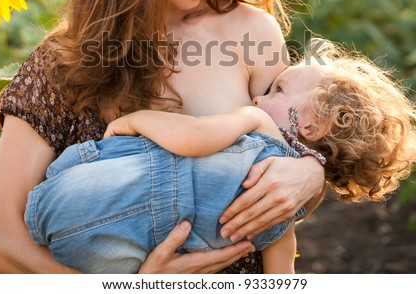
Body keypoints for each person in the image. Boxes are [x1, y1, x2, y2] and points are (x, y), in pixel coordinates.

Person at [0, 0, 325, 274]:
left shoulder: (253, 33)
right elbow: (0, 241)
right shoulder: (64, 63)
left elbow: (292, 145)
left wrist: (311, 175)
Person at [24, 39, 416, 274]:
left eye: (279, 91)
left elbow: (193, 137)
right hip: (111, 255)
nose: (261, 97)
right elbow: (282, 277)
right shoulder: (284, 214)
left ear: (312, 126)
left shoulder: (256, 122)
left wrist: (136, 121)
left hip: (72, 200)